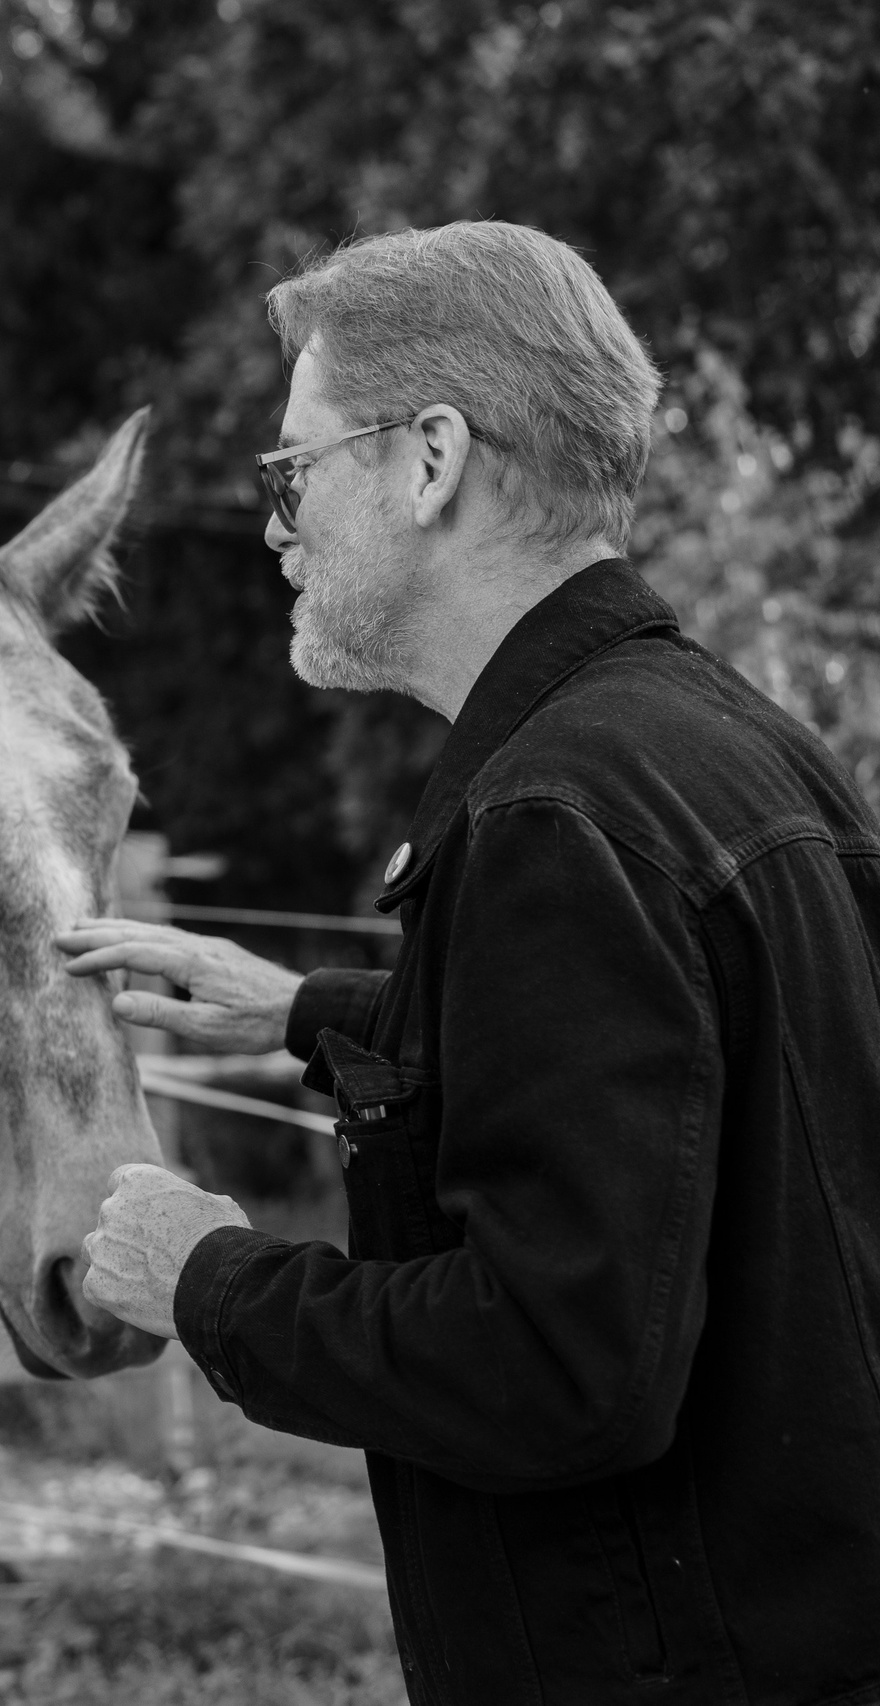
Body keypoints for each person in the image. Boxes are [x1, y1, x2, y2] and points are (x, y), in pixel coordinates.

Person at [59, 221, 880, 1706]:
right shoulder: (730, 750)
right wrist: (310, 1012)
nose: (274, 527)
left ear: (430, 458)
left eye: (294, 471)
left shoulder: (550, 817)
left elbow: (561, 1365)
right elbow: (702, 1087)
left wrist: (214, 1281)